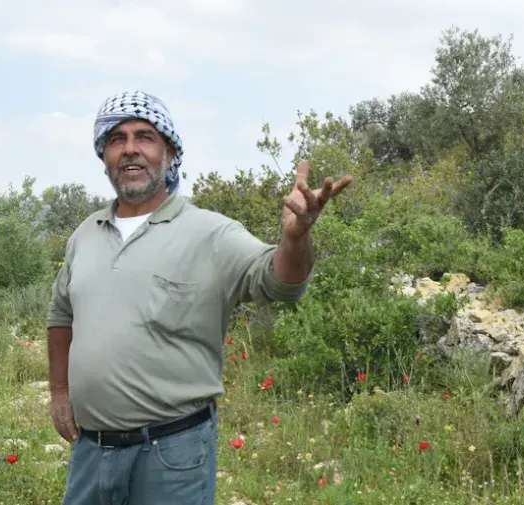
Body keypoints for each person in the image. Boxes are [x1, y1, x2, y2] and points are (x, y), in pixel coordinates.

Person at [46, 90, 352, 504]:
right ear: (104, 155)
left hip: (172, 454)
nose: (130, 149)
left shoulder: (210, 232)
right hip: (92, 452)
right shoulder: (85, 234)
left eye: (145, 137)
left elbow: (279, 282)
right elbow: (61, 313)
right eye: (117, 139)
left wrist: (296, 239)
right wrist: (60, 393)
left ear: (168, 153)